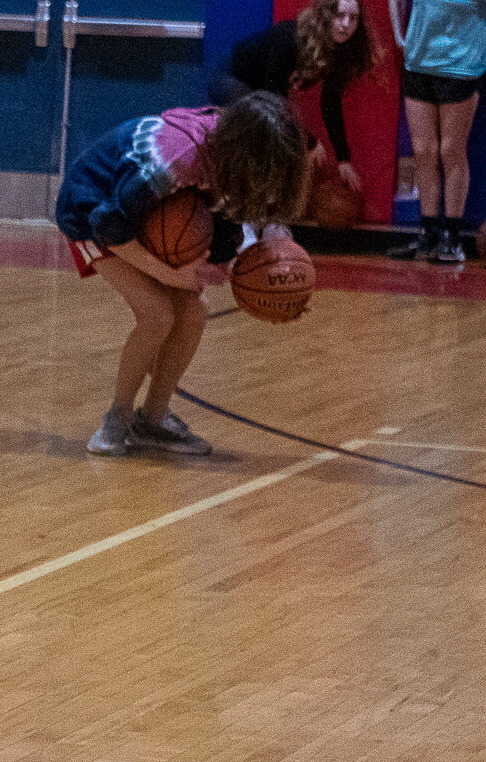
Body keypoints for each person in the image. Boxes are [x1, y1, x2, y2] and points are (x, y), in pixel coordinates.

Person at [56, 93, 310, 458]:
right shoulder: (169, 165)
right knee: (157, 315)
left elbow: (236, 219)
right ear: (245, 157)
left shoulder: (233, 144)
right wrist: (169, 274)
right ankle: (119, 416)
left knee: (193, 313)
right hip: (91, 209)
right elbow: (108, 227)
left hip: (142, 214)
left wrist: (267, 247)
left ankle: (154, 419)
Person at [211, 0, 383, 202]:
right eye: (339, 15)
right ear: (325, 15)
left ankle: (267, 214)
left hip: (262, 91)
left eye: (353, 18)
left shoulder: (337, 51)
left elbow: (331, 104)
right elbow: (272, 96)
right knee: (263, 132)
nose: (346, 24)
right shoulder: (292, 38)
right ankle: (243, 210)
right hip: (233, 77)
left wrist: (343, 159)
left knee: (277, 135)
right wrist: (307, 141)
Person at [387, 0, 486, 262]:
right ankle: (427, 235)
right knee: (423, 151)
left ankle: (452, 239)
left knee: (451, 150)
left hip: (461, 65)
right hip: (418, 62)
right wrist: (400, 37)